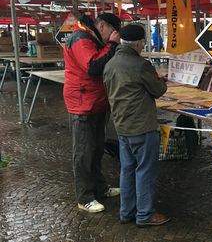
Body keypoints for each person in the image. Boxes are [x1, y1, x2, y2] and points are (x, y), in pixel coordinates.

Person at [103, 24, 169, 227]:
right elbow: (158, 90)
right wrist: (160, 79)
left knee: (128, 170)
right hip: (142, 125)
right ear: (140, 43)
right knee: (144, 171)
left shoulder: (110, 64)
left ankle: (127, 212)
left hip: (122, 125)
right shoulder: (140, 65)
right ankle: (145, 214)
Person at [64, 13, 122, 213]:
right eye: (113, 34)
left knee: (96, 149)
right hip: (83, 104)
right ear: (103, 26)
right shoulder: (81, 38)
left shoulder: (92, 38)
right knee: (84, 152)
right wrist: (112, 46)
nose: (113, 38)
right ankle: (85, 196)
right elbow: (93, 67)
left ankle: (99, 187)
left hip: (96, 102)